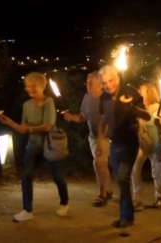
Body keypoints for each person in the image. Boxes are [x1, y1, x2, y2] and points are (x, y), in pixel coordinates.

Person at [0, 72, 69, 222]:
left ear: (42, 86)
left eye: (34, 85)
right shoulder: (26, 105)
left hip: (49, 145)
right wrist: (9, 122)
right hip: (33, 144)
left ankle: (64, 202)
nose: (31, 89)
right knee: (26, 175)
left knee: (57, 176)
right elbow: (22, 128)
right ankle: (27, 210)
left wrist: (29, 129)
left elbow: (48, 126)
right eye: (28, 86)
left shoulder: (49, 101)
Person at [96, 65, 150, 229]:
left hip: (129, 142)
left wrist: (132, 108)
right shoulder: (104, 97)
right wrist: (99, 139)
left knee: (122, 177)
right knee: (121, 181)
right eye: (104, 83)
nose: (107, 86)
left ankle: (127, 216)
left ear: (117, 78)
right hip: (115, 143)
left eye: (110, 81)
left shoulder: (130, 92)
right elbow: (104, 119)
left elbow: (147, 115)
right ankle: (125, 216)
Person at [63, 71, 113, 207]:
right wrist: (71, 117)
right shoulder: (87, 97)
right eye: (87, 82)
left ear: (100, 85)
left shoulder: (106, 98)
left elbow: (106, 123)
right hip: (93, 137)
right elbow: (83, 116)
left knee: (99, 163)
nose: (88, 85)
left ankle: (102, 195)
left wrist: (100, 142)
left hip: (105, 136)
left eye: (91, 83)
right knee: (100, 164)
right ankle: (108, 189)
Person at [131, 83, 161, 211]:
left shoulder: (158, 109)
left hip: (156, 145)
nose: (141, 92)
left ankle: (159, 197)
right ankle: (138, 198)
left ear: (150, 93)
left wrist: (159, 125)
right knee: (135, 170)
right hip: (144, 144)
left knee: (156, 172)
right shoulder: (142, 108)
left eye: (144, 91)